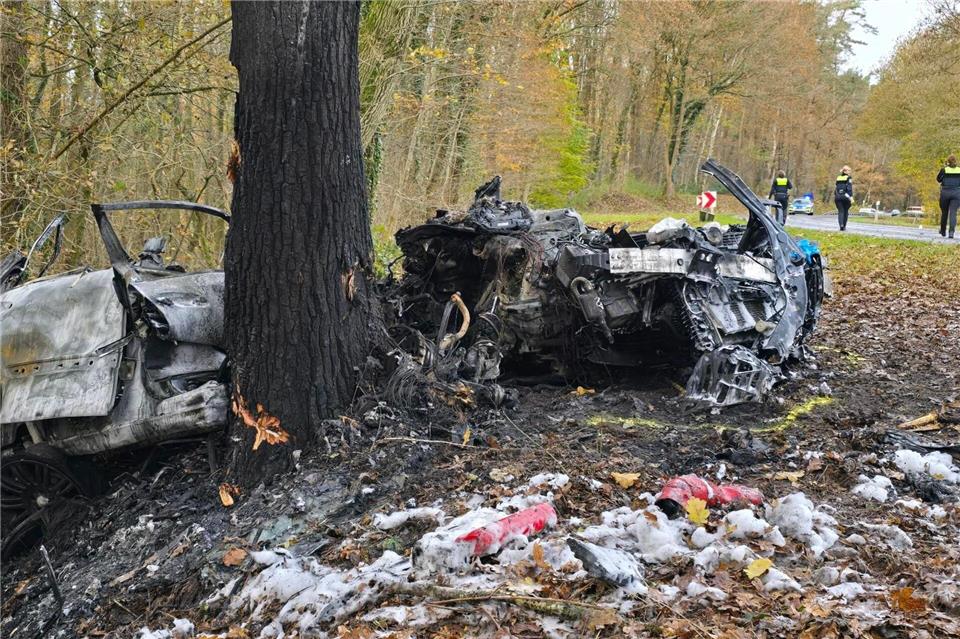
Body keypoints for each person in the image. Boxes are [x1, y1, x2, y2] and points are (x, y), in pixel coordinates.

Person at [937, 154, 960, 238]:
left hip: (945, 192)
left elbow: (938, 179)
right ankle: (951, 232)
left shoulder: (944, 170)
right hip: (957, 192)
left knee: (944, 212)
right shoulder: (959, 170)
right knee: (953, 213)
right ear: (955, 161)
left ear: (948, 162)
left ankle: (943, 231)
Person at [834, 166, 853, 231]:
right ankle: (844, 226)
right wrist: (851, 197)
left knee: (840, 211)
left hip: (838, 197)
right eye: (848, 170)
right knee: (845, 211)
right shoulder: (849, 178)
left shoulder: (838, 177)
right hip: (845, 196)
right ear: (845, 171)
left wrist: (836, 195)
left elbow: (836, 187)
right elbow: (849, 188)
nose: (849, 172)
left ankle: (841, 225)